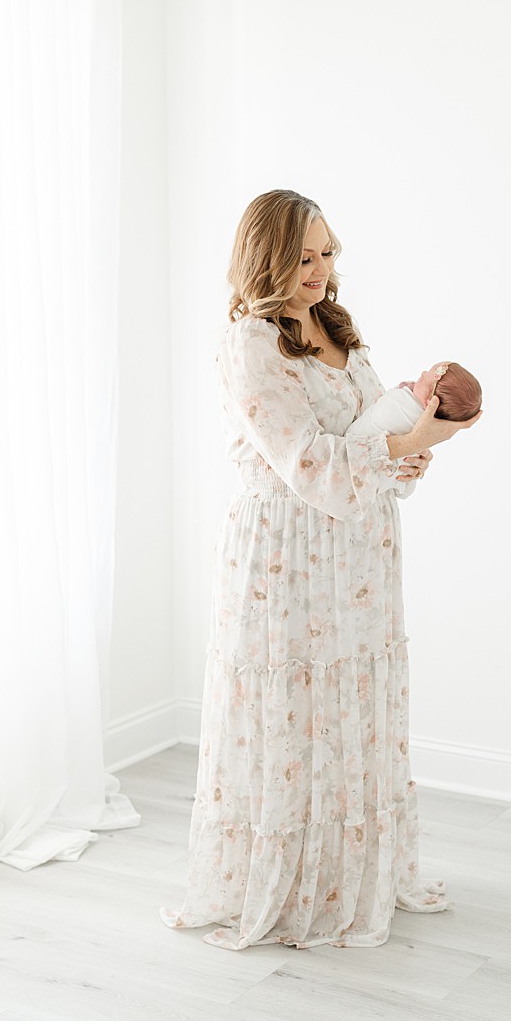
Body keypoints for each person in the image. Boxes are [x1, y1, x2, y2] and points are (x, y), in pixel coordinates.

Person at [160, 188, 476, 949]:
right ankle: (285, 879)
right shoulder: (250, 341)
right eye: (303, 255)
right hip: (286, 554)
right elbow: (306, 460)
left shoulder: (337, 328)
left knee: (349, 702)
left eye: (328, 251)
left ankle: (347, 870)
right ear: (265, 256)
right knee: (291, 708)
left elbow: (362, 438)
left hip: (356, 551)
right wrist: (404, 445)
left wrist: (412, 455)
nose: (319, 267)